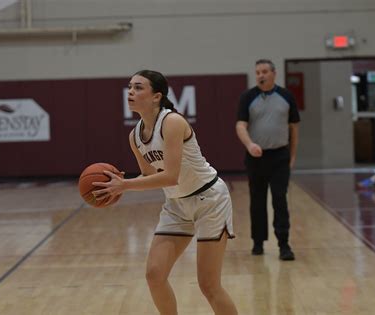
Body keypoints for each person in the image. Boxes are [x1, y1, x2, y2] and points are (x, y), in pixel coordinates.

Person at [92, 70, 238, 315]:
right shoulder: (134, 136)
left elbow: (170, 175)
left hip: (210, 201)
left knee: (209, 285)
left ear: (156, 96)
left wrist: (125, 185)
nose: (131, 92)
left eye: (138, 88)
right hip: (176, 204)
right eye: (129, 87)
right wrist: (120, 182)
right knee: (154, 275)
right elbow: (150, 176)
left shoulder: (172, 122)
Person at [235, 59, 300, 261]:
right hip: (256, 157)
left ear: (274, 73)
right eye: (257, 72)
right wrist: (249, 145)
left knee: (280, 199)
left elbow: (294, 129)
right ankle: (258, 242)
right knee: (257, 200)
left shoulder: (286, 96)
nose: (260, 75)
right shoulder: (248, 97)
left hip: (280, 156)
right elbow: (240, 125)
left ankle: (284, 244)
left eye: (264, 71)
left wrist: (292, 156)